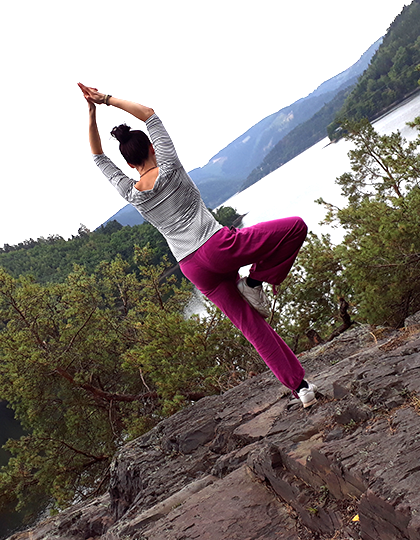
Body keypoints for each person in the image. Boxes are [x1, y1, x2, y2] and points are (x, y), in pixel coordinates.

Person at [78, 83, 317, 408]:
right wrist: (104, 100)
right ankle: (256, 281)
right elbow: (149, 114)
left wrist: (90, 114)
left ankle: (301, 388)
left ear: (131, 165)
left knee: (251, 326)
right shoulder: (171, 166)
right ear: (151, 146)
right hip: (218, 246)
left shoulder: (131, 193)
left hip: (193, 268)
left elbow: (97, 157)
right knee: (294, 229)